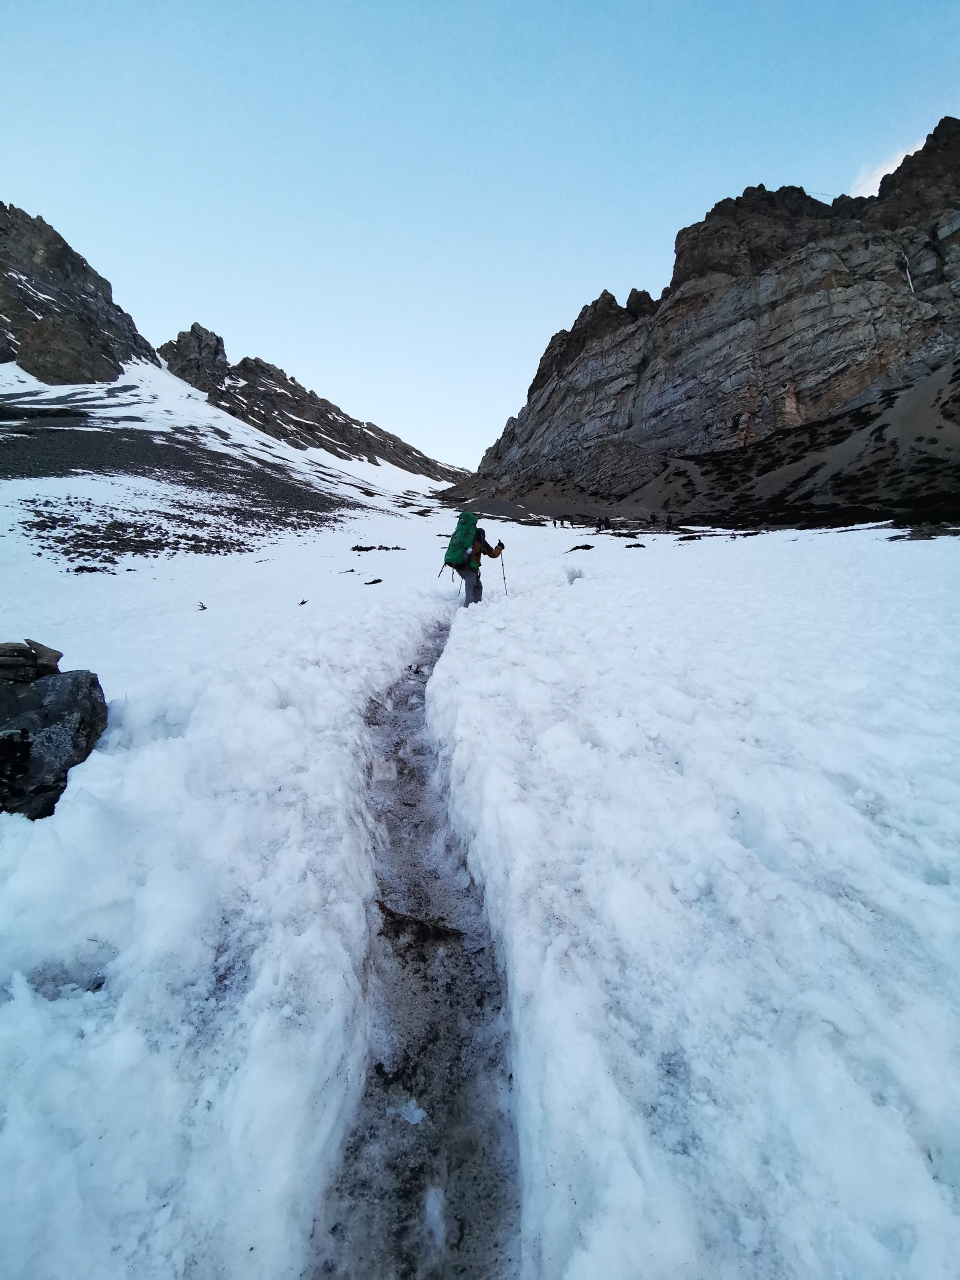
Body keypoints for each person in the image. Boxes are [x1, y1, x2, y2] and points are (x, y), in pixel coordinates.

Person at [457, 526, 503, 606]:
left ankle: (476, 606)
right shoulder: (480, 540)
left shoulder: (467, 540)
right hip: (469, 570)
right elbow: (493, 554)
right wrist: (500, 547)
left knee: (478, 586)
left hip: (459, 567)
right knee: (470, 589)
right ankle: (467, 611)